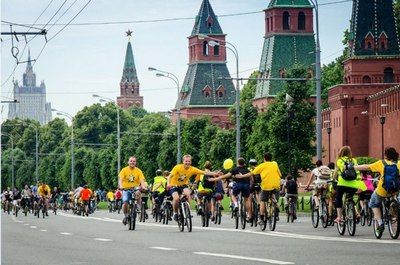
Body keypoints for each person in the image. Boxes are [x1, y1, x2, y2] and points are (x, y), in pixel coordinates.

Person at [355, 147, 400, 233]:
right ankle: (393, 209)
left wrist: (353, 167)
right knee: (394, 197)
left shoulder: (381, 163)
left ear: (385, 155)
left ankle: (380, 224)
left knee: (373, 203)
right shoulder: (399, 163)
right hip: (395, 189)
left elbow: (366, 167)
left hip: (382, 190)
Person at [167, 154, 218, 222]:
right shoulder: (177, 167)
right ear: (183, 161)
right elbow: (170, 176)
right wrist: (168, 184)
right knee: (176, 198)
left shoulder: (192, 169)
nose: (187, 163)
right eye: (186, 161)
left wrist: (214, 174)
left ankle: (188, 210)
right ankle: (175, 213)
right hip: (174, 185)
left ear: (191, 162)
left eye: (189, 161)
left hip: (183, 185)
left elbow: (204, 172)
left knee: (188, 194)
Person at [240, 153, 282, 224]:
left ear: (264, 158)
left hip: (266, 186)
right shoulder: (275, 165)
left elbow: (252, 173)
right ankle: (276, 205)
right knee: (272, 195)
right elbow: (280, 175)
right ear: (271, 158)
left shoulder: (262, 165)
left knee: (262, 201)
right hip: (276, 185)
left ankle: (262, 218)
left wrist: (242, 176)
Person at [212, 157, 253, 222]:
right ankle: (248, 215)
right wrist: (250, 185)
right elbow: (251, 178)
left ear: (238, 163)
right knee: (247, 200)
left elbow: (226, 176)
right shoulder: (247, 170)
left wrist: (216, 178)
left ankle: (236, 204)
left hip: (238, 185)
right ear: (244, 163)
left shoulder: (235, 169)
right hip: (246, 185)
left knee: (233, 195)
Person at [332, 146, 366, 223]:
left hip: (342, 184)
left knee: (339, 197)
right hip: (353, 184)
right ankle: (356, 212)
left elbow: (336, 172)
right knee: (350, 198)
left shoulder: (339, 160)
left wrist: (333, 180)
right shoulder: (354, 160)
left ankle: (339, 217)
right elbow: (358, 170)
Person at [118, 156, 147, 225]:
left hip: (135, 188)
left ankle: (138, 206)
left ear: (135, 163)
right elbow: (120, 179)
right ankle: (126, 215)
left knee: (138, 192)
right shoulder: (124, 170)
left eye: (134, 161)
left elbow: (142, 180)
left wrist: (143, 187)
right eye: (131, 161)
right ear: (128, 162)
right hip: (126, 188)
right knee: (125, 202)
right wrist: (121, 186)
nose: (132, 162)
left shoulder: (138, 171)